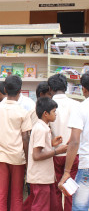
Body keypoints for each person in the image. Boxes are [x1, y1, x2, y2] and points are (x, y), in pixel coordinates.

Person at [0, 75, 32, 210]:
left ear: (4, 90)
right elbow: (25, 138)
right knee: (17, 195)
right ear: (20, 91)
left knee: (0, 195)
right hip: (18, 158)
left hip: (0, 156)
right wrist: (27, 160)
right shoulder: (23, 112)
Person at [23, 97, 67, 211]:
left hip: (45, 177)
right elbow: (36, 155)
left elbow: (39, 148)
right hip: (40, 177)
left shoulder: (42, 127)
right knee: (40, 206)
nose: (55, 114)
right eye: (54, 112)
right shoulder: (41, 129)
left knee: (51, 204)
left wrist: (51, 143)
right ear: (46, 114)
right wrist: (57, 151)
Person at [48, 74, 80, 211]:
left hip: (54, 153)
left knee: (55, 190)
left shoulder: (46, 106)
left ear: (50, 89)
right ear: (66, 87)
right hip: (73, 154)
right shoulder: (77, 105)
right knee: (70, 191)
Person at [58, 71, 89, 210]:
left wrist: (67, 171)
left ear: (83, 88)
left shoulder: (81, 108)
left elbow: (75, 141)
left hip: (86, 164)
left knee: (80, 207)